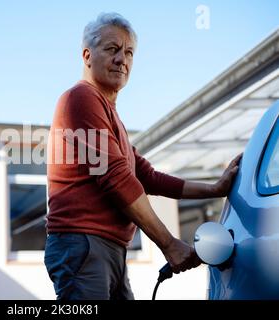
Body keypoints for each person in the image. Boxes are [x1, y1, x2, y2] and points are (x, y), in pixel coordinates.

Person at [44, 12, 242, 300]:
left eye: (129, 53)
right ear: (87, 56)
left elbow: (147, 176)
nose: (122, 59)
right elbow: (116, 178)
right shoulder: (81, 98)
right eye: (112, 49)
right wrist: (169, 243)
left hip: (107, 247)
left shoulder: (111, 116)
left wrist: (215, 189)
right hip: (84, 244)